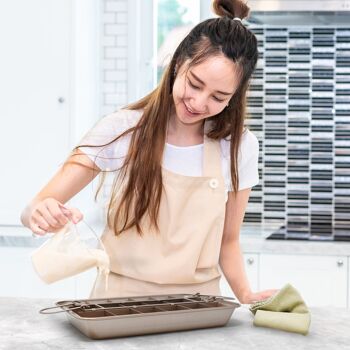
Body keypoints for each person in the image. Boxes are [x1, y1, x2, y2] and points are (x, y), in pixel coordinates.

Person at [21, 0, 278, 303]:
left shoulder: (239, 147)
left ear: (233, 99)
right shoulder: (123, 129)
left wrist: (246, 295)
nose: (198, 102)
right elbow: (33, 208)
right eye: (194, 84)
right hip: (118, 307)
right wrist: (42, 213)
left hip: (197, 309)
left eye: (218, 97)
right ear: (178, 63)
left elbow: (229, 241)